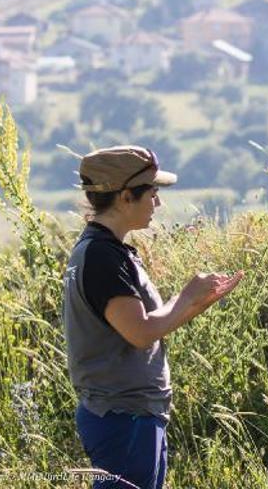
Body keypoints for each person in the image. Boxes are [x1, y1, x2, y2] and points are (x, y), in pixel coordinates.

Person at [62, 145, 243, 489]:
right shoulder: (102, 256)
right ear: (126, 196)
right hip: (123, 417)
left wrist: (195, 303)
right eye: (153, 193)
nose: (158, 203)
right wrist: (188, 294)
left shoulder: (106, 250)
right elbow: (140, 333)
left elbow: (146, 324)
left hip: (131, 414)